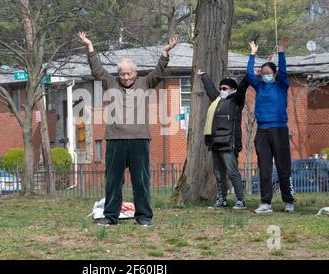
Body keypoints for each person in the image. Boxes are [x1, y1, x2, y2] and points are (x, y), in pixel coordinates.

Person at [78, 31, 178, 227]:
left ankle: (144, 217)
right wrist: (89, 46)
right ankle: (111, 216)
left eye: (128, 73)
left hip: (139, 140)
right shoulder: (111, 83)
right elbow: (97, 70)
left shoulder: (144, 83)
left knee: (140, 181)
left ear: (135, 73)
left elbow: (158, 72)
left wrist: (165, 52)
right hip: (115, 140)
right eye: (122, 74)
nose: (125, 77)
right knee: (113, 181)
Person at [246, 37, 295, 214]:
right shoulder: (259, 87)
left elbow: (283, 70)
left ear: (273, 73)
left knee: (283, 167)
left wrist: (281, 50)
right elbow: (249, 75)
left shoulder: (281, 85)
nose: (264, 74)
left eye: (268, 72)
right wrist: (252, 54)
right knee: (264, 169)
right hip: (262, 131)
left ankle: (288, 201)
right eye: (263, 72)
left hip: (279, 129)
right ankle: (265, 203)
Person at [198, 70, 250, 210]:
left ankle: (240, 200)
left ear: (233, 89)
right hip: (215, 142)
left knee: (232, 172)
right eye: (221, 88)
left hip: (229, 142)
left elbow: (243, 87)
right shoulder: (218, 100)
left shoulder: (236, 100)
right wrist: (204, 76)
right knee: (219, 173)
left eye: (225, 88)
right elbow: (210, 90)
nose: (221, 90)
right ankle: (222, 199)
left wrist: (249, 75)